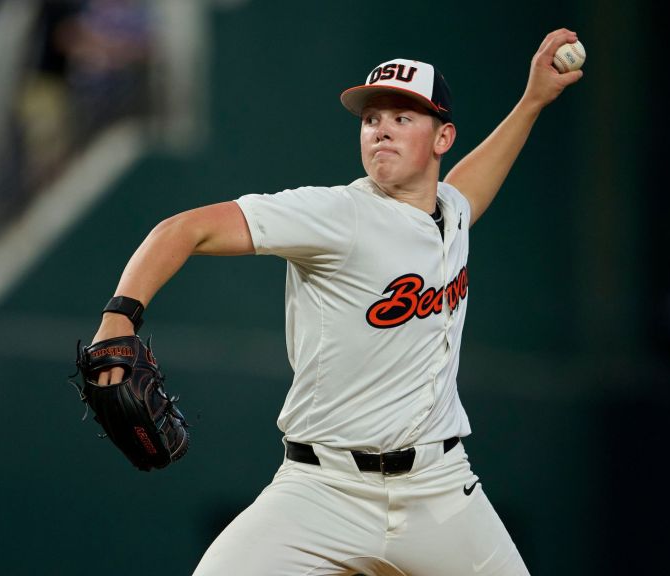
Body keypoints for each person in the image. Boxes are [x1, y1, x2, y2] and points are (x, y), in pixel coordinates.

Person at [90, 28, 583, 576]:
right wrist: (120, 316)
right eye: (371, 119)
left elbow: (468, 190)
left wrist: (532, 101)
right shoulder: (335, 215)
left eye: (402, 118)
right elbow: (183, 229)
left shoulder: (450, 211)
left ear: (443, 138)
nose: (381, 130)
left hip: (440, 491)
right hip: (322, 491)